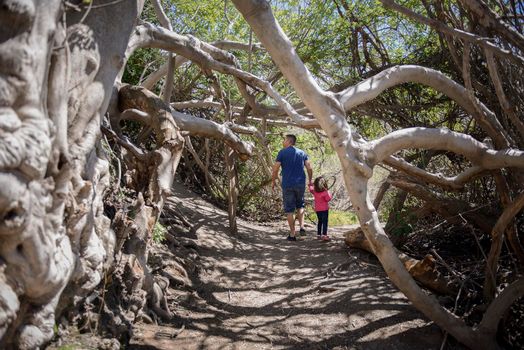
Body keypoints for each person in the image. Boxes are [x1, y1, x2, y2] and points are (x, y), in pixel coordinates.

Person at [272, 134, 313, 241]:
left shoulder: (282, 152)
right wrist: (311, 180)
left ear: (289, 141)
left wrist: (274, 180)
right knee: (300, 205)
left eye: (284, 140)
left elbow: (275, 168)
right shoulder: (302, 153)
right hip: (300, 184)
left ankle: (292, 234)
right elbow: (309, 167)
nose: (283, 141)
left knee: (290, 209)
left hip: (288, 184)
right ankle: (302, 227)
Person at [309, 176, 332, 241]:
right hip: (324, 210)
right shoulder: (325, 193)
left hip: (317, 209)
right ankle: (324, 235)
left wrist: (310, 184)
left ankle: (318, 235)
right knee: (325, 222)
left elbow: (311, 189)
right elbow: (328, 199)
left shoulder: (315, 192)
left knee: (320, 221)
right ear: (324, 184)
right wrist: (328, 193)